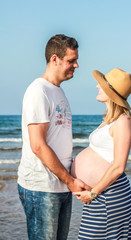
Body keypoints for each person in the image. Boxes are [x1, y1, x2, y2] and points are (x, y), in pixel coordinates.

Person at [17, 34, 90, 240]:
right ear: (54, 59)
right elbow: (38, 145)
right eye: (71, 61)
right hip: (41, 187)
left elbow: (58, 141)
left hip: (61, 186)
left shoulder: (58, 92)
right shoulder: (38, 91)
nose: (76, 65)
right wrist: (69, 180)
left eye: (76, 60)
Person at [72, 68, 131, 239]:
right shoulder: (112, 120)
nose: (96, 86)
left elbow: (118, 167)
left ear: (110, 91)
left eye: (101, 84)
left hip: (108, 194)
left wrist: (93, 193)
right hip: (103, 193)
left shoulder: (123, 121)